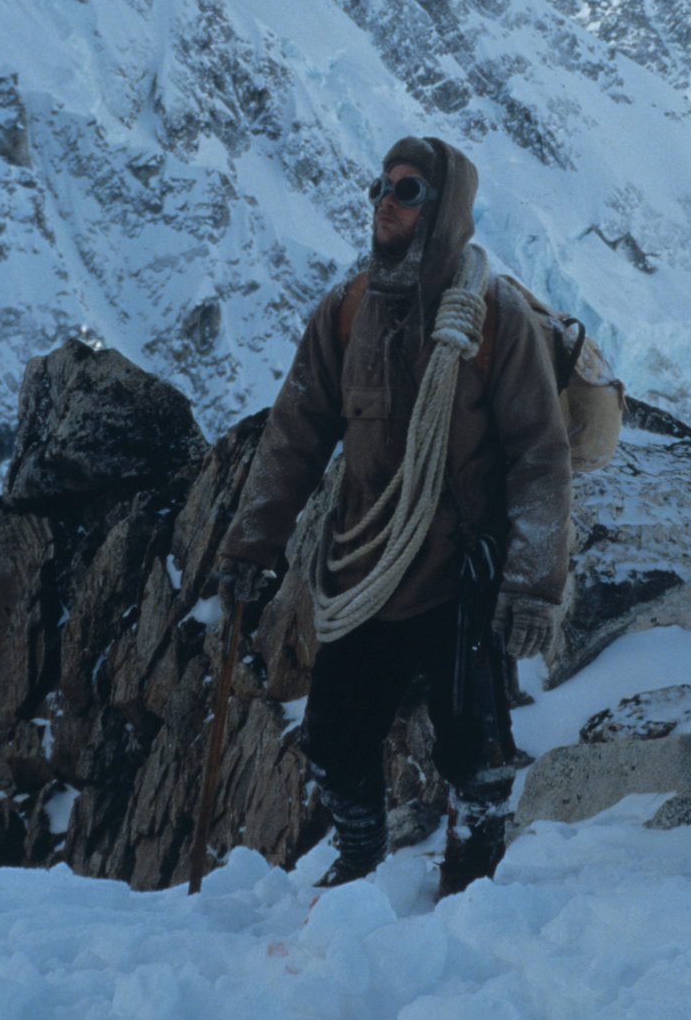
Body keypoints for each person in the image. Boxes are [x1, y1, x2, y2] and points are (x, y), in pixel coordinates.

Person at [216, 136, 571, 894]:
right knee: (332, 739)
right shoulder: (347, 313)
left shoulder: (493, 318)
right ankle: (360, 853)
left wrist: (533, 585)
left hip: (459, 575)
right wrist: (252, 545)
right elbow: (295, 435)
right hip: (366, 568)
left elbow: (541, 454)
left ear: (443, 210)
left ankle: (472, 872)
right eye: (381, 185)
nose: (386, 201)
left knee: (474, 750)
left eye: (407, 191)